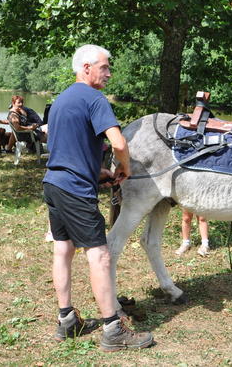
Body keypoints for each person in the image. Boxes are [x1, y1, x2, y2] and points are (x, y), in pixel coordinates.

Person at [43, 44, 154, 352]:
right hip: (75, 190)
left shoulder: (62, 99)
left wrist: (97, 173)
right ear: (86, 68)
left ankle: (67, 320)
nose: (109, 73)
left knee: (63, 249)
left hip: (54, 183)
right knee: (100, 255)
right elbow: (118, 143)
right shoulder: (94, 99)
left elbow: (67, 147)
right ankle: (113, 329)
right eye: (104, 67)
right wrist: (124, 167)